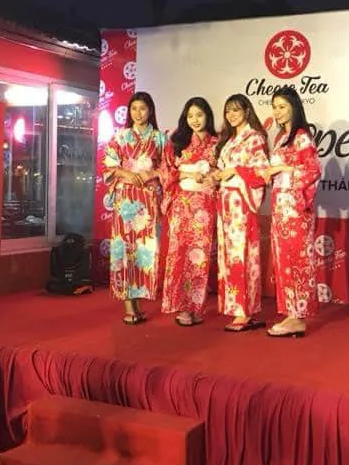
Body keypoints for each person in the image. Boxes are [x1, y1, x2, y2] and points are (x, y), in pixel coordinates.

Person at [102, 92, 166, 325]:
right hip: (125, 201)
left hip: (148, 201)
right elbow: (108, 165)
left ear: (151, 111)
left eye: (143, 108)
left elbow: (169, 167)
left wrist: (152, 173)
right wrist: (126, 173)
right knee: (124, 249)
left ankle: (138, 301)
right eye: (134, 109)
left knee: (143, 250)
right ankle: (129, 304)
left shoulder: (159, 138)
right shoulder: (120, 137)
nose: (138, 113)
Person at [264, 87, 322, 337]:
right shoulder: (281, 138)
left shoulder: (301, 137)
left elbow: (313, 170)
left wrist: (283, 169)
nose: (277, 112)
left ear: (294, 108)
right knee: (284, 260)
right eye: (274, 107)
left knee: (297, 259)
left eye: (282, 107)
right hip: (280, 204)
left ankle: (299, 316)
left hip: (295, 207)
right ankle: (291, 312)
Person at [211, 94, 269, 332]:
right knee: (229, 256)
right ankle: (237, 308)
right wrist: (218, 174)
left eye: (236, 110)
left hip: (242, 203)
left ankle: (244, 310)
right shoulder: (230, 140)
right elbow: (224, 169)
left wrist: (234, 170)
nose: (231, 115)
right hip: (226, 202)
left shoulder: (255, 138)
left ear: (247, 111)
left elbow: (262, 171)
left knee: (242, 254)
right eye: (228, 111)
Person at [160, 97, 218, 326]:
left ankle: (196, 306)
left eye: (199, 115)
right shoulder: (178, 141)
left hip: (204, 205)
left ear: (207, 116)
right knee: (180, 254)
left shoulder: (217, 143)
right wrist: (188, 174)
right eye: (190, 115)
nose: (195, 120)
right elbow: (166, 172)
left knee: (199, 257)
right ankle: (182, 306)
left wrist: (212, 176)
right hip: (182, 204)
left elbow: (222, 172)